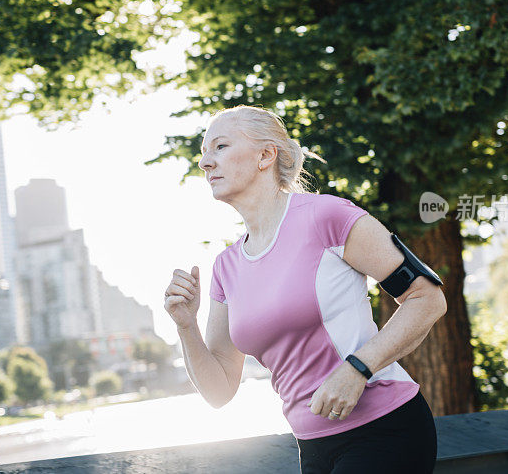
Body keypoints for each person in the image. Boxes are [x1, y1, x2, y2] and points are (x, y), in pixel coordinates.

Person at [164, 105, 446, 473]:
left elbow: (427, 298)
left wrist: (357, 368)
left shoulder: (327, 217)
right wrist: (186, 325)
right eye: (203, 152)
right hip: (313, 448)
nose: (205, 162)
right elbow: (219, 391)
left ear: (266, 155)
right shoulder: (225, 267)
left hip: (384, 430)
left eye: (219, 147)